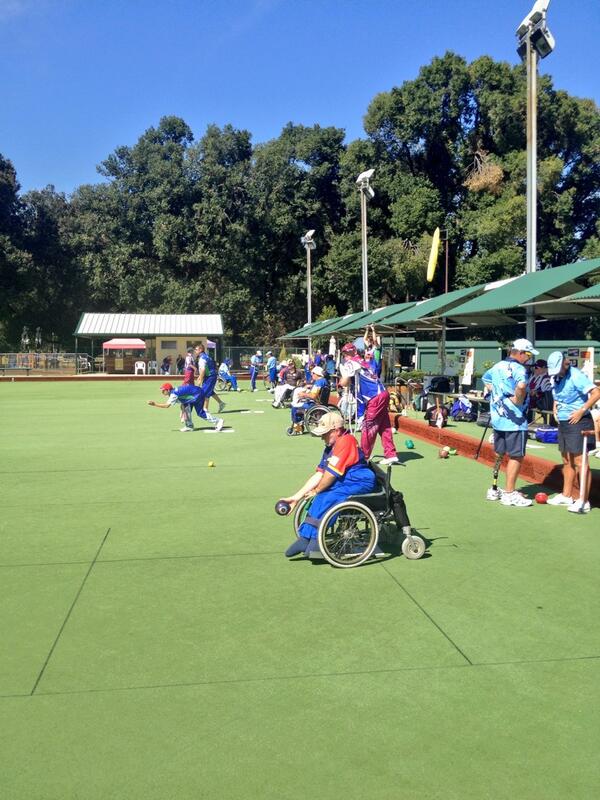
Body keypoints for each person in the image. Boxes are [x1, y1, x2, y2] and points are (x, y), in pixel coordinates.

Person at [278, 412, 376, 557]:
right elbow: (320, 474)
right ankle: (306, 537)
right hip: (346, 479)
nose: (322, 437)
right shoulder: (330, 447)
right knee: (321, 495)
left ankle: (316, 539)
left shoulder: (346, 441)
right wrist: (296, 498)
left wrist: (316, 490)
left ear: (337, 430)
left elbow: (329, 476)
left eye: (325, 434)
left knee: (329, 496)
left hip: (360, 480)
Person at [481, 338, 537, 507]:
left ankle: (494, 489)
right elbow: (521, 386)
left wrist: (497, 394)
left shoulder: (498, 366)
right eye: (528, 355)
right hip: (515, 421)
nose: (529, 358)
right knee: (516, 456)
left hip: (498, 419)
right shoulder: (519, 369)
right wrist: (517, 400)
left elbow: (486, 379)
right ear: (520, 353)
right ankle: (509, 493)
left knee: (500, 453)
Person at [545, 351, 600, 513]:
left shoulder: (576, 375)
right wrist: (555, 405)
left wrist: (581, 411)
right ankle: (566, 495)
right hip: (563, 422)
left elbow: (596, 393)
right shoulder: (555, 377)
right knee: (566, 460)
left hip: (579, 422)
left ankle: (584, 501)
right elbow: (557, 394)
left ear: (565, 363)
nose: (556, 373)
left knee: (580, 462)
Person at [339, 341, 399, 466]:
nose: (346, 356)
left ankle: (363, 458)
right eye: (345, 354)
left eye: (347, 353)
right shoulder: (362, 361)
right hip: (382, 393)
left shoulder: (351, 363)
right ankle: (391, 454)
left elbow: (344, 382)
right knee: (384, 425)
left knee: (368, 427)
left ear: (352, 352)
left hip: (374, 396)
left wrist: (341, 378)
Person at [147, 383, 224, 432]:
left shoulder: (173, 394)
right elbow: (183, 402)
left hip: (197, 394)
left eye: (163, 390)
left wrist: (154, 404)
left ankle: (218, 421)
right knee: (186, 408)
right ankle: (189, 426)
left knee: (200, 413)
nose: (162, 392)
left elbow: (167, 405)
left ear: (168, 390)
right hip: (196, 393)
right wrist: (182, 411)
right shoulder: (174, 392)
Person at [289, 365, 328, 435]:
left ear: (317, 374)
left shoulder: (319, 382)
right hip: (319, 402)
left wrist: (303, 394)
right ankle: (299, 425)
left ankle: (298, 427)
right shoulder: (323, 381)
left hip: (314, 404)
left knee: (294, 407)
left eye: (312, 373)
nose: (311, 374)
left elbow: (313, 395)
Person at [195, 344, 226, 413]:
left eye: (196, 349)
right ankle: (221, 403)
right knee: (209, 391)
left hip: (210, 376)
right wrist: (201, 377)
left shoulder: (202, 358)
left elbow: (203, 369)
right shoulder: (206, 356)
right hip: (210, 376)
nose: (195, 351)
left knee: (205, 392)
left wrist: (200, 379)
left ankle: (205, 409)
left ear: (200, 350)